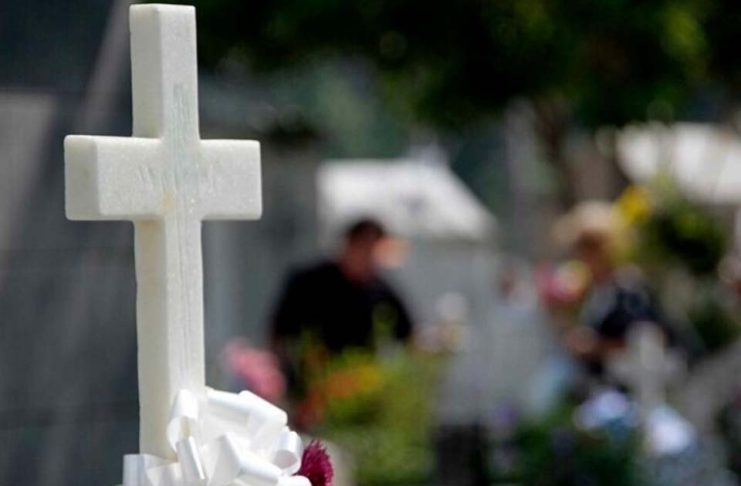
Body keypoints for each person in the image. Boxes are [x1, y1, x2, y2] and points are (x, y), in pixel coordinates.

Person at [270, 218, 414, 357]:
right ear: (349, 245)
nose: (368, 257)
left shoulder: (382, 292)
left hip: (361, 370)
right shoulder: (309, 282)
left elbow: (409, 336)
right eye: (363, 247)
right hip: (311, 369)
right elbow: (279, 333)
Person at [554, 202, 668, 377]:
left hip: (630, 385)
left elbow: (646, 338)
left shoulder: (628, 288)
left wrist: (595, 348)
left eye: (585, 250)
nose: (581, 258)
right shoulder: (596, 291)